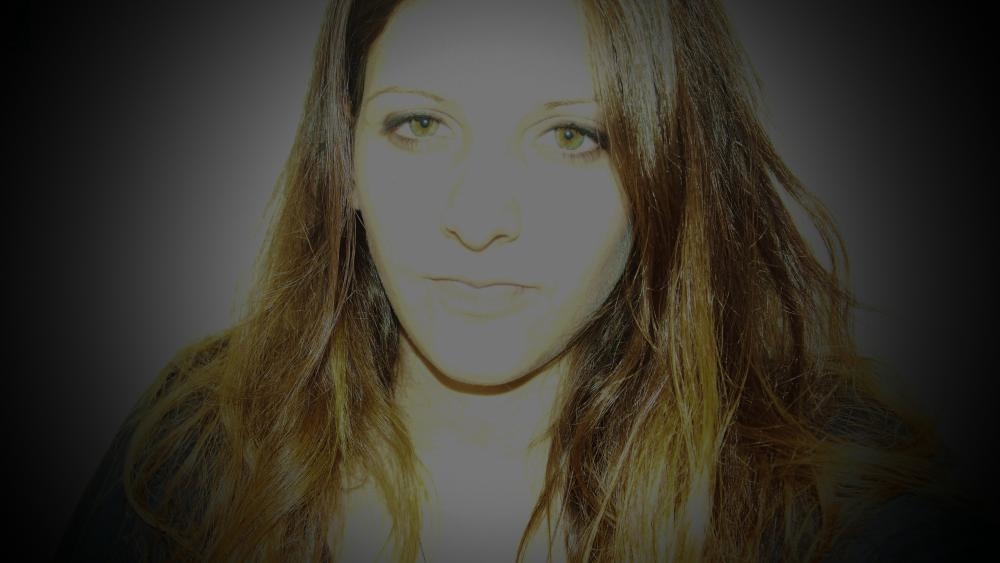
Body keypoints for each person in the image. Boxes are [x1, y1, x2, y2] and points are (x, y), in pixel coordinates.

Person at [55, 0, 983, 561]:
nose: (479, 216)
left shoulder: (844, 507)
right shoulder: (198, 443)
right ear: (346, 165)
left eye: (573, 135)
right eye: (420, 124)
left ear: (667, 178)